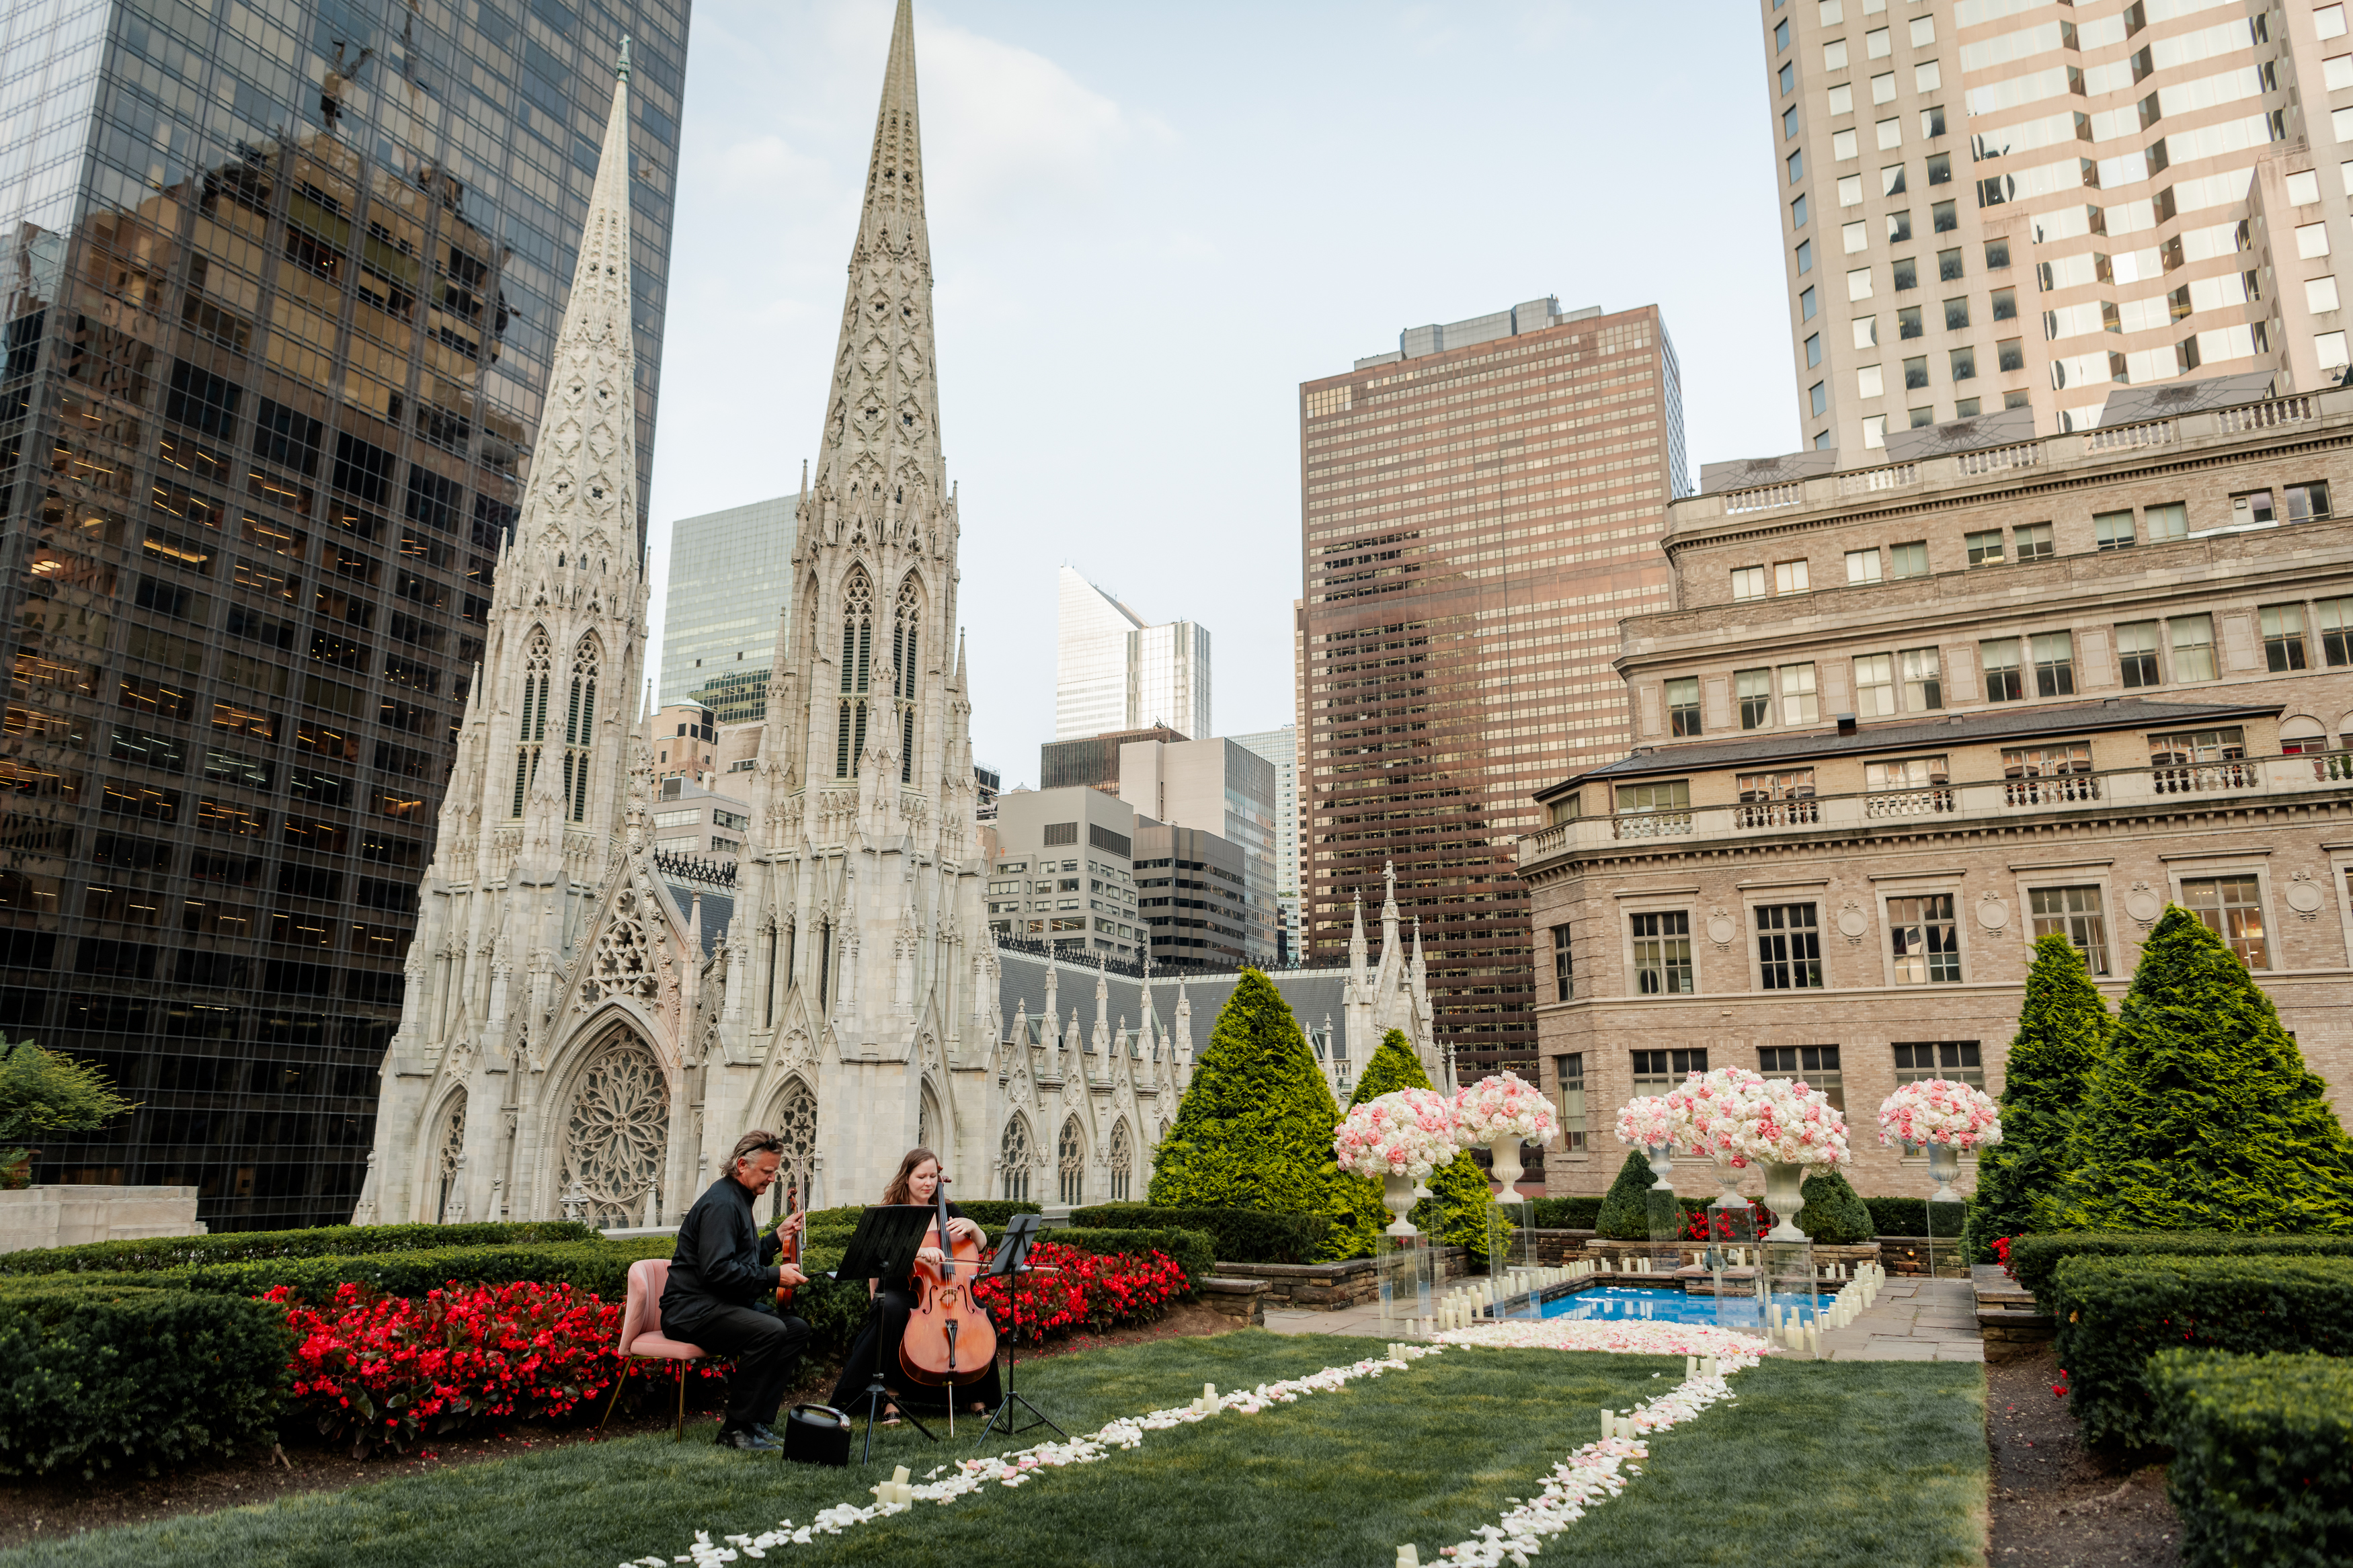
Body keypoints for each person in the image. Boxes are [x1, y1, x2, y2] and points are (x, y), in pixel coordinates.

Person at [661, 1129, 813, 1450]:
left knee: (795, 1329)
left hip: (717, 1303)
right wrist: (775, 1276)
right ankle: (734, 1431)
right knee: (770, 1330)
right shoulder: (723, 1203)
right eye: (767, 1171)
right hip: (691, 1310)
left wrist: (776, 1238)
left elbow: (742, 1260)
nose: (772, 1178)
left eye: (774, 1171)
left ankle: (755, 1422)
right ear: (742, 1165)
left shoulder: (738, 1198)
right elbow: (718, 1271)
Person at [827, 1146, 1003, 1422]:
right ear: (907, 1177)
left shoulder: (947, 1209)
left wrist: (974, 1227)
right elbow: (878, 1257)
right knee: (892, 1311)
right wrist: (916, 1254)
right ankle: (891, 1395)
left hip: (945, 1291)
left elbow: (979, 1246)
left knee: (985, 1314)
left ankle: (972, 1393)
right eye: (922, 1177)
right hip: (902, 1290)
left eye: (933, 1176)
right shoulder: (896, 1212)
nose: (929, 1183)